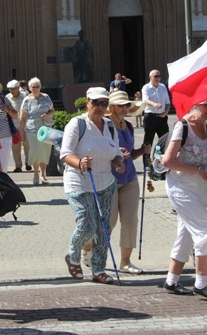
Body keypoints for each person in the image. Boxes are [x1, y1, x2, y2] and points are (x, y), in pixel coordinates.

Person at [60, 87, 124, 284]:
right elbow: (65, 154)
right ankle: (72, 256)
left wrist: (118, 162)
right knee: (87, 223)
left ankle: (98, 269)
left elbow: (115, 153)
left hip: (105, 183)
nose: (99, 107)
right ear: (87, 102)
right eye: (95, 103)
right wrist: (79, 163)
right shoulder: (77, 124)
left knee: (104, 228)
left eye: (104, 103)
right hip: (79, 182)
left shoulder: (110, 126)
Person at [160, 97, 207, 297]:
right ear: (197, 104)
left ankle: (171, 280)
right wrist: (196, 171)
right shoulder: (183, 126)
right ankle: (202, 283)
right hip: (181, 187)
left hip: (200, 189)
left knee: (185, 234)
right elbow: (168, 161)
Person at [104, 91, 149, 274]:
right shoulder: (105, 127)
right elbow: (100, 154)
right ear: (112, 107)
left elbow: (130, 154)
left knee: (130, 220)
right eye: (121, 105)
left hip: (129, 177)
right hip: (110, 179)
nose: (125, 108)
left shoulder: (129, 126)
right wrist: (115, 156)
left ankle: (125, 262)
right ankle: (88, 247)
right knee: (109, 221)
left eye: (126, 105)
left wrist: (142, 151)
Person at [19, 77, 55, 185]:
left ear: (40, 87)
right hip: (32, 130)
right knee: (35, 152)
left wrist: (47, 115)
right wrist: (22, 135)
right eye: (33, 87)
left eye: (37, 87)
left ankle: (43, 175)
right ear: (29, 88)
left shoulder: (46, 97)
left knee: (44, 151)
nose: (35, 89)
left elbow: (53, 111)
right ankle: (35, 174)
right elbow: (22, 118)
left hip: (46, 129)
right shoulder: (27, 100)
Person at [141, 69, 170, 146]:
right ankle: (146, 158)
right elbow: (145, 100)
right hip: (150, 117)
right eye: (156, 76)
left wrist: (166, 112)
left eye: (159, 76)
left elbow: (167, 102)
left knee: (166, 140)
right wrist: (154, 104)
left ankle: (164, 157)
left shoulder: (163, 87)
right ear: (150, 77)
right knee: (148, 141)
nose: (158, 78)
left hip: (162, 117)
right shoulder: (146, 87)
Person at [6, 79, 29, 173]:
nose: (12, 91)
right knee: (15, 146)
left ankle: (28, 162)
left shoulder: (25, 96)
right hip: (13, 125)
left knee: (27, 144)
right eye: (10, 89)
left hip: (25, 124)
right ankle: (18, 165)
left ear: (18, 88)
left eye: (13, 88)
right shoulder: (7, 98)